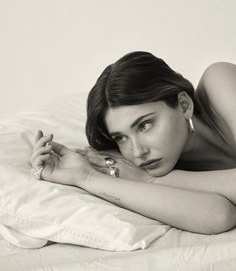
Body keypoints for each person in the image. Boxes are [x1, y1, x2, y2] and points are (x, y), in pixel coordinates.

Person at [30, 51, 236, 235]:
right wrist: (86, 177)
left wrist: (149, 180)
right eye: (121, 137)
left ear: (184, 105)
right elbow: (218, 216)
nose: (138, 151)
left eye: (145, 125)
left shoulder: (220, 83)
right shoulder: (161, 164)